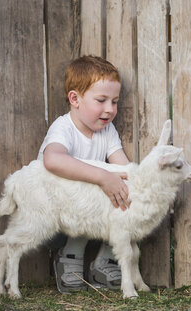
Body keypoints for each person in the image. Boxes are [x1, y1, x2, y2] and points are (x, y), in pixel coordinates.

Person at [37, 55, 130, 293]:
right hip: (52, 219)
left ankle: (104, 262)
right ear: (75, 99)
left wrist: (141, 189)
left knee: (125, 197)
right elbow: (52, 159)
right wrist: (102, 176)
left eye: (115, 101)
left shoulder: (107, 131)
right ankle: (69, 256)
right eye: (101, 100)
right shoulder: (63, 128)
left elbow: (124, 169)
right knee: (92, 196)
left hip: (85, 213)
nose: (110, 110)